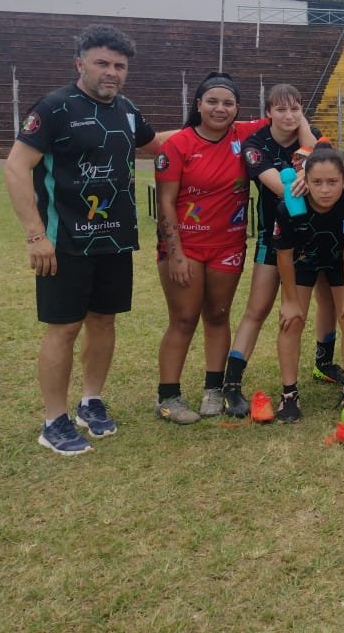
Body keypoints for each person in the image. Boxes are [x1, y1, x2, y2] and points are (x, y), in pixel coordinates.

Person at [4, 24, 166, 455]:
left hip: (114, 241)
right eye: (102, 63)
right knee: (64, 328)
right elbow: (16, 167)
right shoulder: (54, 107)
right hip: (64, 242)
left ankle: (90, 401)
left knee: (104, 321)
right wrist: (36, 235)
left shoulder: (127, 110)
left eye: (119, 65)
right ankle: (53, 420)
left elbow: (160, 146)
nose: (111, 72)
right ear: (80, 64)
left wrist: (233, 130)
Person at [153, 72, 267, 425]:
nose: (220, 109)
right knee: (184, 319)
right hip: (185, 247)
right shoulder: (178, 145)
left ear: (238, 109)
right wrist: (175, 254)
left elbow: (291, 114)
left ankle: (214, 389)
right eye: (212, 102)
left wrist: (310, 150)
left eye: (228, 103)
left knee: (217, 315)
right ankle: (168, 396)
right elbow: (166, 203)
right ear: (198, 104)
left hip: (228, 244)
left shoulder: (245, 135)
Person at [227, 84, 319, 417]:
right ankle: (231, 387)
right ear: (268, 112)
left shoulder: (310, 134)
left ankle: (327, 364)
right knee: (258, 309)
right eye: (280, 109)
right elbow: (284, 189)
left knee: (326, 303)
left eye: (295, 109)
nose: (289, 116)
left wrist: (309, 153)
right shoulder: (255, 144)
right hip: (274, 235)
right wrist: (312, 175)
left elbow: (324, 177)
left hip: (314, 235)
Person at [272, 147, 344, 422]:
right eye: (316, 182)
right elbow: (284, 254)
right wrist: (290, 301)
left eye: (332, 182)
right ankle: (289, 394)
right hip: (303, 261)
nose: (325, 190)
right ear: (305, 180)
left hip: (340, 261)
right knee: (291, 320)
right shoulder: (289, 206)